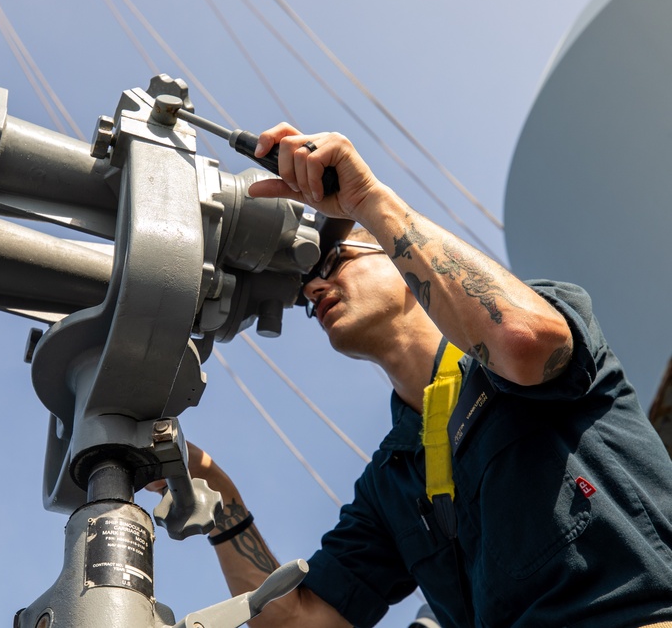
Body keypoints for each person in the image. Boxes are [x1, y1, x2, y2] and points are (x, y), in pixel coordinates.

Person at [184, 124, 672, 627]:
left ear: (398, 257)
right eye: (307, 284)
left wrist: (366, 199)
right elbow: (296, 622)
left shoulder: (541, 315)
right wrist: (219, 496)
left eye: (333, 260)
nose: (314, 288)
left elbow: (520, 343)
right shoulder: (392, 480)